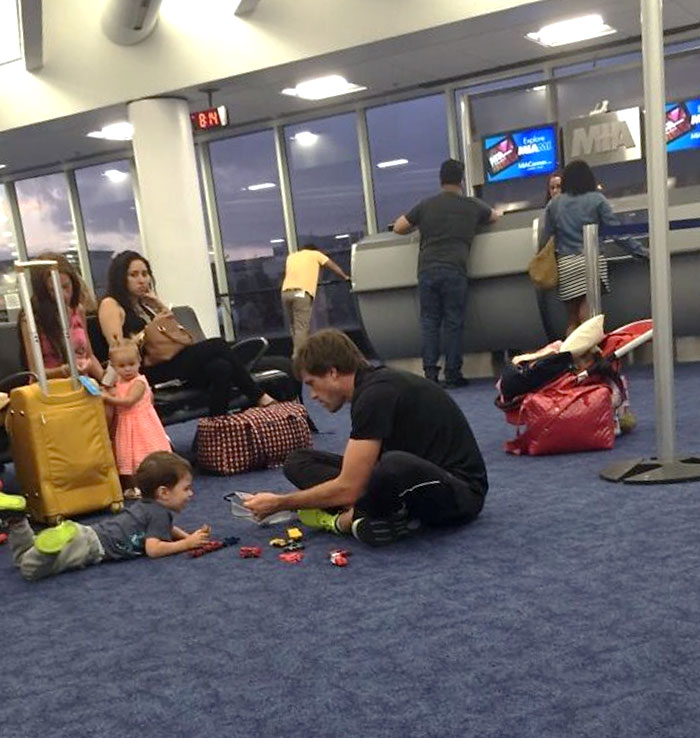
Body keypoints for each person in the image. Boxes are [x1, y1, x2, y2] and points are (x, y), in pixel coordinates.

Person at [244, 329, 488, 547]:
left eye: (312, 384)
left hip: (460, 494)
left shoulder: (375, 394)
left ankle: (346, 520)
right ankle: (378, 512)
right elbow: (355, 476)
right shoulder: (369, 388)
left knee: (392, 465)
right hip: (413, 477)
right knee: (298, 460)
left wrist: (281, 503)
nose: (313, 395)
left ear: (332, 372)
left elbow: (350, 487)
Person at [98, 251, 276, 417]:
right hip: (143, 369)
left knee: (221, 367)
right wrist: (148, 331)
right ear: (120, 278)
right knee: (218, 345)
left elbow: (173, 335)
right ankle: (259, 396)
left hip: (169, 361)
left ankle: (215, 430)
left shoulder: (143, 304)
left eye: (145, 274)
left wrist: (158, 304)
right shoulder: (111, 304)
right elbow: (118, 349)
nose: (142, 280)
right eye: (134, 275)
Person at [0, 451, 210, 581]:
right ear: (163, 492)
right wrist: (187, 544)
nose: (190, 494)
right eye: (186, 489)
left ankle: (17, 520)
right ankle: (42, 541)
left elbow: (164, 530)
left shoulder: (147, 505)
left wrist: (188, 536)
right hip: (91, 548)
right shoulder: (160, 513)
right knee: (29, 570)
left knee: (23, 556)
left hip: (86, 533)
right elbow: (154, 549)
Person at [393, 159, 499, 387]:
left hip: (427, 269)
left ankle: (430, 375)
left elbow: (400, 227)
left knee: (430, 323)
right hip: (455, 269)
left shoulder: (426, 205)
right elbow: (495, 217)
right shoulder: (472, 206)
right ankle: (453, 374)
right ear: (461, 180)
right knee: (453, 323)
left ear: (440, 180)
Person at [540, 160, 648, 336]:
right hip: (590, 262)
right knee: (589, 316)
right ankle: (591, 357)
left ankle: (576, 360)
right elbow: (616, 233)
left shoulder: (554, 205)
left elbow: (547, 238)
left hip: (566, 264)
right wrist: (639, 251)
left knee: (572, 320)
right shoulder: (597, 200)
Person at [101, 340, 171, 500]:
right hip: (126, 424)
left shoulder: (139, 381)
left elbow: (129, 401)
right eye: (121, 366)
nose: (127, 369)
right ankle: (134, 485)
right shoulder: (118, 381)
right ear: (114, 366)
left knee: (144, 454)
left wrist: (107, 397)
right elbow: (111, 388)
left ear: (139, 361)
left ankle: (150, 485)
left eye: (131, 364)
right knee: (129, 456)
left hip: (141, 424)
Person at [19, 252, 104, 382]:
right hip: (52, 390)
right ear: (43, 292)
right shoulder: (30, 318)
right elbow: (35, 373)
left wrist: (108, 383)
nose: (63, 295)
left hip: (83, 385)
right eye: (54, 290)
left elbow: (89, 356)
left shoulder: (78, 310)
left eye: (66, 287)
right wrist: (65, 370)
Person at [281, 243, 350, 357]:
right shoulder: (316, 254)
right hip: (301, 293)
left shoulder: (292, 256)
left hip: (286, 293)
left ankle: (297, 351)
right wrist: (345, 276)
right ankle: (299, 357)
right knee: (301, 327)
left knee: (293, 326)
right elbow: (332, 266)